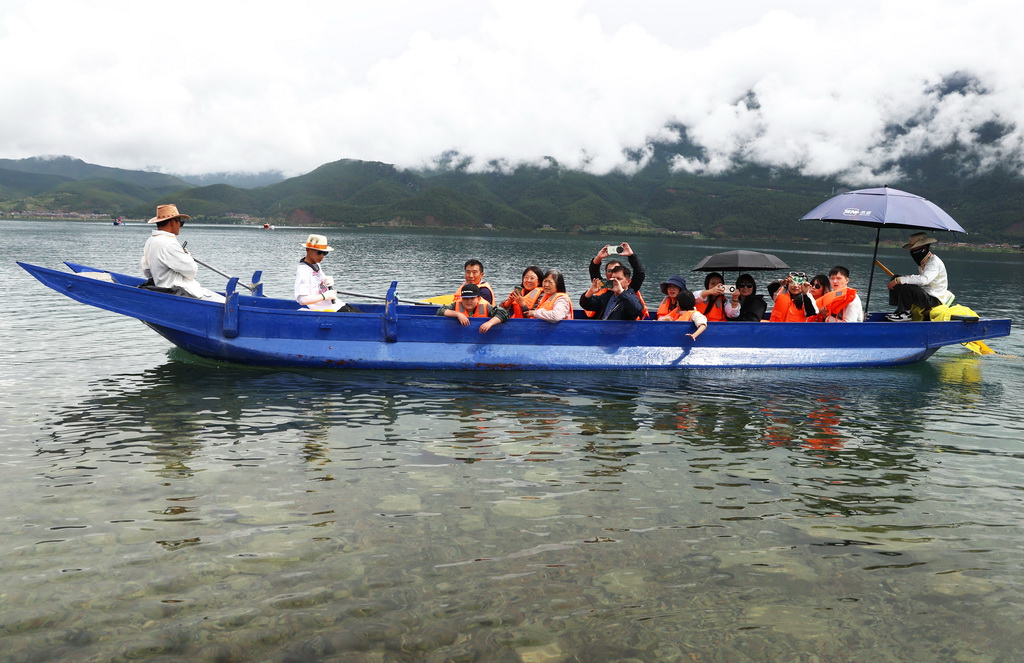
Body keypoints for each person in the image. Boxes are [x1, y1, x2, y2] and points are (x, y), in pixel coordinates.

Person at [140, 204, 225, 303]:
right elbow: (192, 271)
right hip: (180, 291)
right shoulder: (169, 243)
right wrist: (187, 255)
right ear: (172, 222)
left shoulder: (151, 240)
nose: (180, 226)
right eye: (180, 222)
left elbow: (147, 271)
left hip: (162, 289)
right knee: (226, 303)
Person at [886, 232, 954, 321]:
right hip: (926, 294)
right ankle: (900, 310)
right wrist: (901, 279)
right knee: (896, 278)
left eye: (915, 248)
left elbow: (924, 280)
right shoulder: (924, 261)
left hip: (934, 299)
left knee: (906, 286)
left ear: (923, 248)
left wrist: (901, 280)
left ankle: (905, 313)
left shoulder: (933, 262)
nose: (912, 251)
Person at [294, 234, 359, 312]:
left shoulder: (316, 265)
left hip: (337, 305)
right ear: (308, 249)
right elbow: (302, 300)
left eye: (325, 253)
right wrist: (325, 296)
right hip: (327, 311)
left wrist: (326, 279)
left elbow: (319, 280)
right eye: (319, 252)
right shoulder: (303, 271)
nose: (322, 256)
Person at [584, 242, 648, 318]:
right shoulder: (605, 285)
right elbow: (594, 273)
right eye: (610, 271)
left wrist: (631, 256)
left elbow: (639, 274)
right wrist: (599, 257)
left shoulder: (629, 288)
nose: (612, 274)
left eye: (616, 271)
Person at [437, 283, 510, 333]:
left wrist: (489, 323)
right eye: (465, 298)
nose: (468, 301)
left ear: (478, 299)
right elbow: (440, 311)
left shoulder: (486, 307)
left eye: (472, 298)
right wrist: (457, 314)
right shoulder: (456, 305)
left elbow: (504, 313)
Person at [579, 264, 644, 320]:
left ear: (628, 282)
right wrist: (590, 292)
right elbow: (587, 305)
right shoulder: (607, 295)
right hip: (603, 330)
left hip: (620, 332)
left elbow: (636, 309)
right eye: (613, 278)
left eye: (619, 279)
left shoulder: (631, 296)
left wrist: (621, 292)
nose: (615, 281)